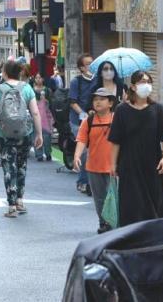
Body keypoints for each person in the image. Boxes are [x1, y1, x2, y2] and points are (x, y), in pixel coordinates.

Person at [108, 71, 163, 227]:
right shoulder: (122, 110)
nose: (146, 85)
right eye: (141, 82)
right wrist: (112, 164)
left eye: (148, 81)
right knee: (132, 204)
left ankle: (157, 236)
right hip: (129, 164)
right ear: (132, 86)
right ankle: (133, 237)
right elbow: (115, 140)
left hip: (154, 163)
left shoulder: (157, 109)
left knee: (157, 202)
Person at [0, 61, 44, 218]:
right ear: (20, 73)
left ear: (4, 73)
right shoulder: (27, 88)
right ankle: (20, 201)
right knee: (21, 166)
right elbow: (35, 113)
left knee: (9, 169)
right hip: (24, 133)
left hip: (3, 134)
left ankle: (11, 206)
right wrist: (39, 133)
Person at [74, 88, 116, 233]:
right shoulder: (89, 121)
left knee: (115, 197)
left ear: (110, 103)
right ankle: (103, 222)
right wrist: (77, 156)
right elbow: (81, 140)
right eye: (95, 99)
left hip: (114, 167)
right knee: (99, 198)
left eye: (102, 99)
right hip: (94, 167)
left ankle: (115, 222)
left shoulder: (117, 119)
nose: (98, 102)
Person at [69, 54, 97, 195]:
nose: (91, 66)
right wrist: (84, 115)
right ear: (81, 67)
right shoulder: (76, 82)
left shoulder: (98, 80)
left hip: (94, 121)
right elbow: (73, 102)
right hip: (77, 121)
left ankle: (87, 180)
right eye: (88, 64)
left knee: (91, 151)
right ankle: (83, 181)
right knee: (85, 151)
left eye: (92, 63)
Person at [30, 74, 54, 161]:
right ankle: (39, 154)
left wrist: (45, 100)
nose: (38, 79)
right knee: (36, 134)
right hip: (35, 115)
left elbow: (52, 102)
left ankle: (48, 153)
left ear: (43, 79)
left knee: (47, 136)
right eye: (36, 78)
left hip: (46, 116)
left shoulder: (47, 90)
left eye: (40, 77)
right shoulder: (31, 91)